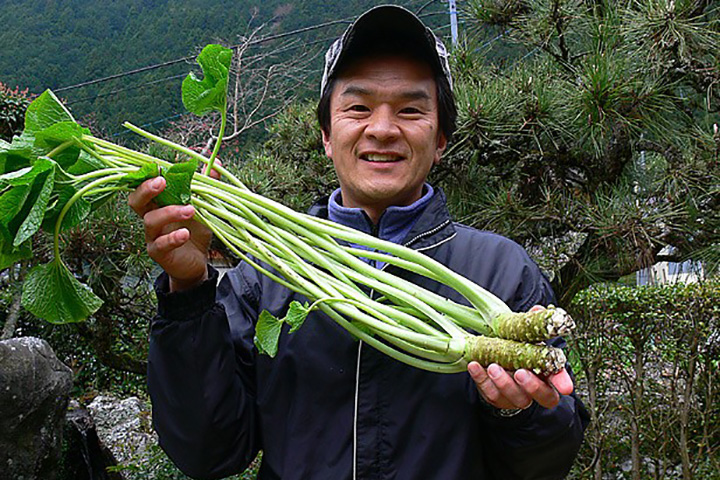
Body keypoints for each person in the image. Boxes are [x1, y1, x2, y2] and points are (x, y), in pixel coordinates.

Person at [129, 6, 589, 480]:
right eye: (358, 108)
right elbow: (208, 453)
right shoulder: (264, 278)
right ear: (327, 135)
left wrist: (520, 412)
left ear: (442, 139)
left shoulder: (502, 272)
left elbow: (548, 462)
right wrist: (188, 291)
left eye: (411, 109)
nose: (383, 129)